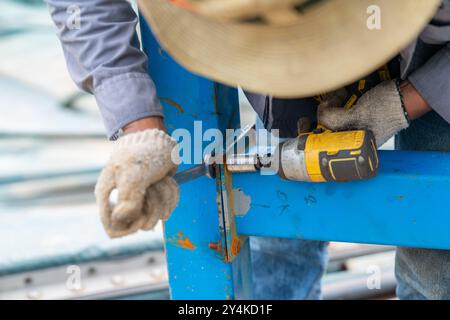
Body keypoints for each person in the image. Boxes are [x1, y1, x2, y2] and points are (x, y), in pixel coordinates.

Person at [46, 0, 450, 299]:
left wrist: (407, 101)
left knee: (435, 266)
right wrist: (139, 130)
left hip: (434, 57)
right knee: (280, 228)